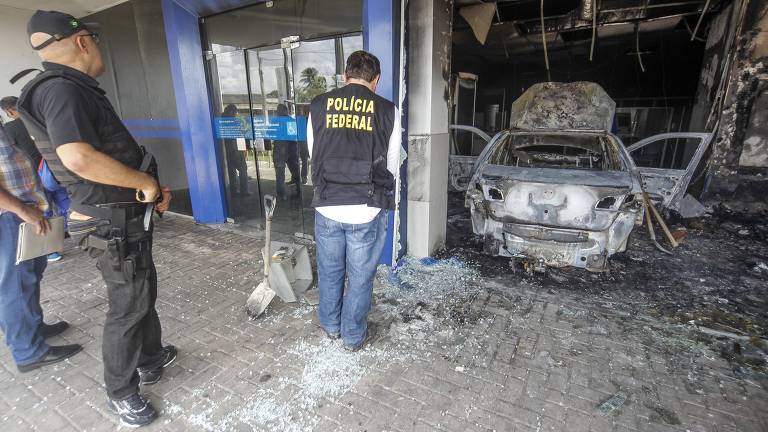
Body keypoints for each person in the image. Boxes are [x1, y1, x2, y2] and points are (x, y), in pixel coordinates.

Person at [16, 10, 175, 427]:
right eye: (96, 40)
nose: (99, 47)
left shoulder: (66, 88)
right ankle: (121, 393)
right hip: (109, 222)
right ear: (82, 41)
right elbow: (78, 157)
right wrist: (143, 181)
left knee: (141, 291)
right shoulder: (60, 89)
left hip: (121, 216)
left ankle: (151, 357)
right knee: (128, 304)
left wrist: (147, 189)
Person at [308, 50, 400, 351]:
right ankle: (352, 336)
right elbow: (392, 164)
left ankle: (330, 326)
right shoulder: (387, 110)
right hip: (365, 208)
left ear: (345, 75)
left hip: (328, 205)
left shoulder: (319, 105)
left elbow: (313, 153)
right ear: (376, 79)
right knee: (360, 277)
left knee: (330, 270)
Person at [0, 123, 82, 372]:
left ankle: (33, 328)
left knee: (30, 275)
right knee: (15, 285)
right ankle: (28, 351)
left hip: (22, 211)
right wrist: (22, 210)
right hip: (10, 215)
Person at [3, 96, 68, 262]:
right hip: (53, 167)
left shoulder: (10, 128)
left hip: (35, 175)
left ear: (9, 111)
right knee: (64, 202)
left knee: (43, 210)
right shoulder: (38, 120)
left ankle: (50, 249)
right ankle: (72, 232)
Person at [1, 96, 42, 167]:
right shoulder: (37, 117)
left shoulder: (9, 127)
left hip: (35, 165)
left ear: (9, 111)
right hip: (52, 157)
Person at [272, 103, 301, 200]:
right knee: (295, 171)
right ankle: (299, 190)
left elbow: (269, 133)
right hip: (291, 148)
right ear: (286, 111)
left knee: (280, 174)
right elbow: (293, 135)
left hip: (279, 150)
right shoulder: (290, 120)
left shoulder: (275, 121)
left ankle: (282, 195)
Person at [222, 104, 249, 197]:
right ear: (231, 111)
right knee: (243, 169)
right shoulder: (233, 121)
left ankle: (233, 190)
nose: (235, 114)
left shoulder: (221, 120)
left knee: (231, 171)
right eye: (235, 112)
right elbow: (240, 136)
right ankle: (244, 190)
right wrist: (243, 149)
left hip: (227, 151)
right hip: (236, 150)